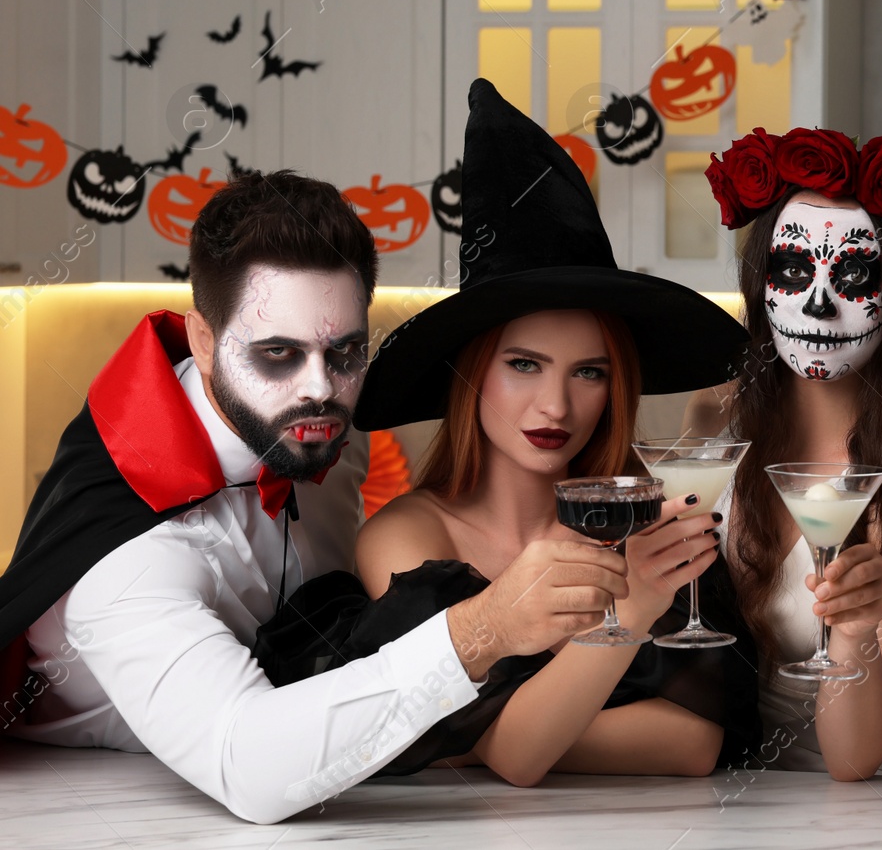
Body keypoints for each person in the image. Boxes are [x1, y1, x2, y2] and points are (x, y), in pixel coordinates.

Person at [0, 168, 633, 823]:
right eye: (277, 352)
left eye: (345, 351)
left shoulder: (325, 423)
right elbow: (247, 765)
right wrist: (484, 628)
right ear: (204, 341)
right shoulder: (125, 561)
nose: (320, 390)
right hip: (105, 807)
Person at [291, 78, 760, 786]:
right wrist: (628, 610)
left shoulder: (651, 514)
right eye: (523, 364)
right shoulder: (407, 539)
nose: (557, 405)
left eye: (589, 372)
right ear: (471, 372)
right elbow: (517, 757)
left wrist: (469, 737)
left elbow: (691, 742)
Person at [685, 127, 882, 779]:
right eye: (791, 268)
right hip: (705, 803)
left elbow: (857, 756)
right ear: (762, 283)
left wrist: (854, 628)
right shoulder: (711, 426)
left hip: (847, 819)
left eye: (853, 273)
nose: (817, 300)